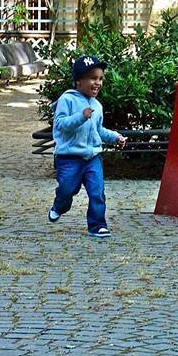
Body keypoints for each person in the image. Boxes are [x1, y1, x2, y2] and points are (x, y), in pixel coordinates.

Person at [48, 54, 126, 238]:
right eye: (92, 78)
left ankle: (97, 225)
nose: (97, 83)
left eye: (100, 78)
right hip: (69, 157)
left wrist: (115, 137)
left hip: (92, 157)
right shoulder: (67, 100)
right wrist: (81, 116)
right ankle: (60, 205)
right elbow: (60, 125)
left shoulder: (97, 106)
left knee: (97, 191)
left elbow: (98, 130)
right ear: (78, 81)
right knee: (68, 189)